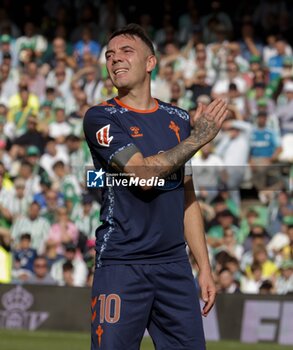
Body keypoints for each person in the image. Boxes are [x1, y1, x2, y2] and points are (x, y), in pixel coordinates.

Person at [83, 23, 227, 350]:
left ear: (150, 62)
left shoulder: (177, 118)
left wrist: (203, 268)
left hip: (174, 266)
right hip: (122, 263)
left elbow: (186, 198)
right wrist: (198, 139)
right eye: (109, 55)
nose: (115, 59)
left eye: (125, 51)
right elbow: (142, 176)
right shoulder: (102, 117)